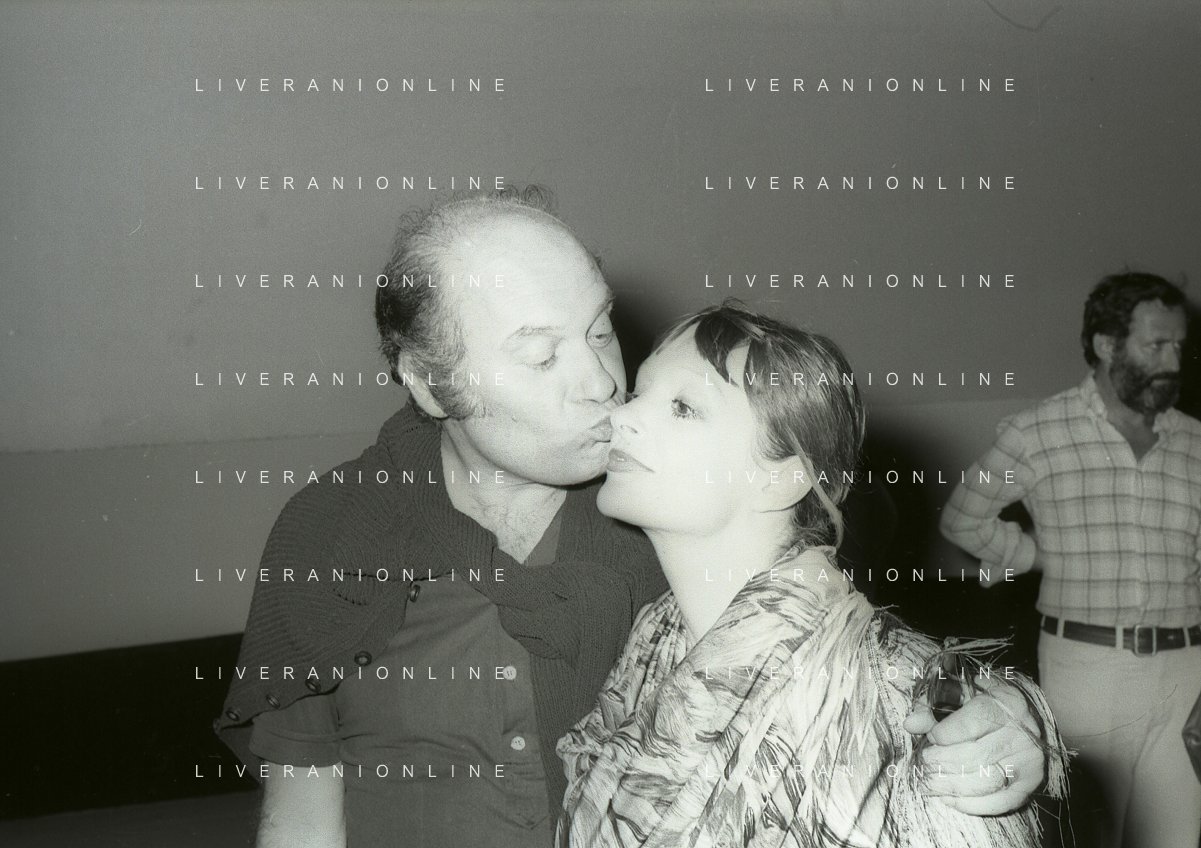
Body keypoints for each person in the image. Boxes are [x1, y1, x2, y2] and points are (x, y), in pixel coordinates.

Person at [215, 188, 1051, 848]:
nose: (601, 385)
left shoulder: (669, 507)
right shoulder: (330, 531)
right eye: (541, 355)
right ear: (430, 383)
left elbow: (839, 631)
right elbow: (301, 813)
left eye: (599, 331)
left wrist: (1002, 720)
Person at [557, 303, 1067, 848]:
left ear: (781, 479)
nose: (622, 416)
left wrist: (1018, 721)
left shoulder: (884, 698)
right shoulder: (653, 637)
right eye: (638, 393)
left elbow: (960, 715)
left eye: (683, 407)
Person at [940, 272, 1201, 848]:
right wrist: (1036, 555)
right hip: (1087, 669)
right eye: (1156, 345)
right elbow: (963, 518)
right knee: (1088, 833)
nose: (1173, 362)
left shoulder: (1195, 443)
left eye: (1179, 346)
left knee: (1178, 837)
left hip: (1187, 671)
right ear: (1108, 345)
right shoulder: (1038, 431)